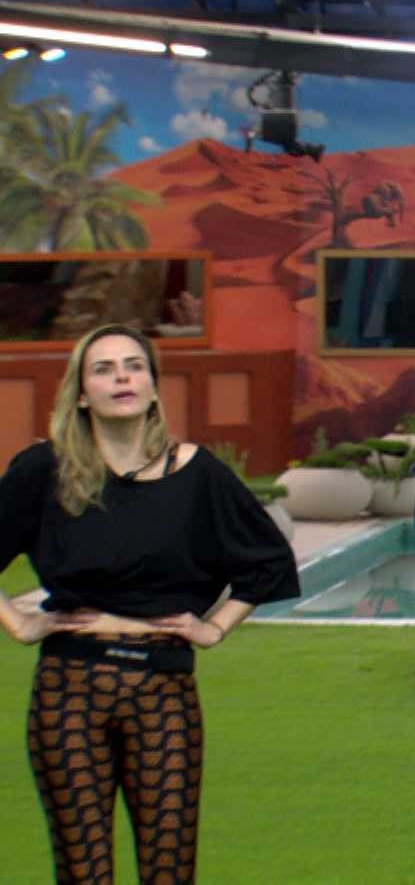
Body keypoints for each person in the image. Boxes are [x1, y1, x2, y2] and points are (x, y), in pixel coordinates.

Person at [0, 323, 299, 884]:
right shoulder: (45, 469)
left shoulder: (197, 473)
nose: (122, 378)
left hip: (163, 689)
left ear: (154, 386)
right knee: (83, 873)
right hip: (70, 689)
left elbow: (269, 562)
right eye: (104, 369)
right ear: (81, 393)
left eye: (134, 366)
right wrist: (18, 624)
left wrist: (214, 628)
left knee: (170, 872)